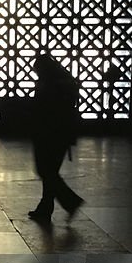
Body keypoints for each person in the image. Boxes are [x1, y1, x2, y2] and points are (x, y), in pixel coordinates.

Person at [28, 53, 84, 222]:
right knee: (49, 172)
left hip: (50, 133)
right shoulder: (63, 81)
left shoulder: (51, 84)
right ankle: (45, 208)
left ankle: (70, 201)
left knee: (46, 171)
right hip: (61, 134)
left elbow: (45, 108)